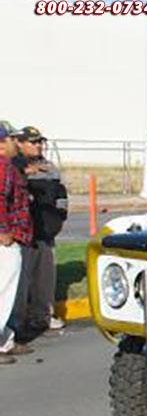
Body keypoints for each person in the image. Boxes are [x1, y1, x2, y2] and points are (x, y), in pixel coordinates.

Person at [15, 126, 67, 335]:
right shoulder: (15, 166)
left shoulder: (50, 167)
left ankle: (42, 316)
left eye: (39, 142)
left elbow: (61, 194)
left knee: (45, 279)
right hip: (23, 233)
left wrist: (59, 218)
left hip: (46, 233)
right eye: (32, 142)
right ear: (20, 143)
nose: (37, 146)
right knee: (20, 279)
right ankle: (16, 321)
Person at [0, 121, 34, 362]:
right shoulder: (2, 167)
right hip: (5, 239)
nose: (16, 143)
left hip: (12, 235)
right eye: (12, 139)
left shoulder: (9, 166)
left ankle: (6, 340)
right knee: (3, 290)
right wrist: (3, 231)